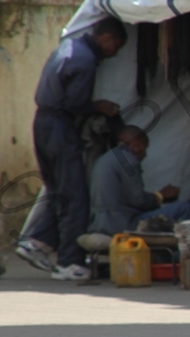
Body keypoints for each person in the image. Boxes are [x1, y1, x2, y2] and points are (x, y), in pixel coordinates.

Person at [17, 16, 127, 282]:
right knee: (75, 196)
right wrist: (98, 106)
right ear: (107, 38)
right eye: (116, 47)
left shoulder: (68, 47)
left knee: (58, 191)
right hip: (60, 128)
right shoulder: (86, 61)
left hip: (41, 122)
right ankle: (69, 263)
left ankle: (37, 241)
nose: (114, 54)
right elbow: (76, 103)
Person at [89, 126, 190, 235]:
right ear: (136, 143)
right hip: (122, 224)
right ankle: (188, 247)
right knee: (184, 207)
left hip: (99, 224)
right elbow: (138, 200)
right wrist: (160, 196)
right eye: (145, 147)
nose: (145, 153)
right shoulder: (129, 160)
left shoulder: (105, 158)